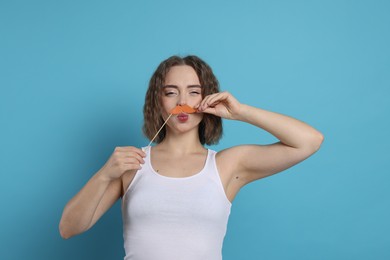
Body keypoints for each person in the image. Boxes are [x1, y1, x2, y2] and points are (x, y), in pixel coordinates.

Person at [59, 55, 324, 259]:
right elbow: (68, 228)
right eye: (171, 92)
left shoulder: (227, 165)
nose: (182, 101)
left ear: (207, 99)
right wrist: (105, 174)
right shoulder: (132, 164)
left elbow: (309, 141)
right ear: (157, 102)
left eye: (194, 92)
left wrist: (240, 111)